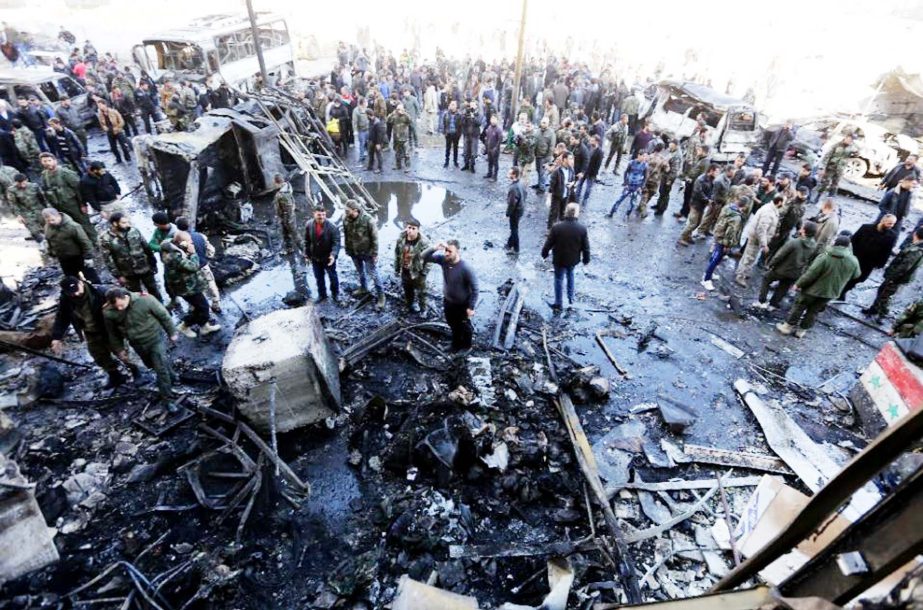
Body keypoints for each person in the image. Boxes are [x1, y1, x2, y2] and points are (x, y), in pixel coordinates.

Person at [51, 276, 140, 389]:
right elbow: (62, 317)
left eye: (77, 290)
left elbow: (124, 296)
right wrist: (56, 337)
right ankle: (115, 376)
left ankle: (136, 372)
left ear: (81, 283)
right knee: (99, 356)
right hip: (90, 332)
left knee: (122, 352)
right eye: (72, 293)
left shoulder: (99, 292)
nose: (76, 294)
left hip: (108, 330)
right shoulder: (66, 300)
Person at [103, 287, 180, 410]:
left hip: (155, 339)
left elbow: (163, 315)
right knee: (153, 365)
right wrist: (120, 350)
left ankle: (168, 399)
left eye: (121, 305)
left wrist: (172, 332)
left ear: (125, 297)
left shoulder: (146, 300)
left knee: (160, 369)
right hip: (137, 343)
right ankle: (173, 375)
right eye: (116, 307)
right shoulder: (108, 312)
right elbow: (113, 334)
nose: (119, 309)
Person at [776, 235, 860, 338]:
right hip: (831, 292)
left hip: (812, 290)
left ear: (835, 243)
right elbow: (856, 275)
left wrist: (798, 284)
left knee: (799, 307)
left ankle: (787, 327)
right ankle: (801, 331)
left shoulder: (825, 256)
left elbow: (811, 274)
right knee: (813, 311)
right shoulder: (853, 260)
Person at [160, 232, 221, 338]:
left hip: (187, 284)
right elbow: (193, 267)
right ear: (181, 242)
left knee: (198, 307)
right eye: (189, 241)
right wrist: (193, 253)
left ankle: (204, 326)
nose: (191, 242)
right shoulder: (175, 256)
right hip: (187, 288)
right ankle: (185, 325)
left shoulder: (169, 245)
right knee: (203, 308)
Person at [423, 240, 479, 351]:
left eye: (450, 251)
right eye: (446, 250)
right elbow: (423, 256)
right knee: (452, 323)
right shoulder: (443, 260)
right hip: (448, 301)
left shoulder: (466, 268)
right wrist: (434, 247)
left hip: (462, 304)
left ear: (458, 252)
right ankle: (456, 344)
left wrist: (471, 307)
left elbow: (476, 289)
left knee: (465, 326)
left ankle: (466, 346)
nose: (446, 253)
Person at [98, 212, 163, 301]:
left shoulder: (134, 231)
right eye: (123, 223)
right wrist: (118, 276)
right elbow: (108, 260)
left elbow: (146, 247)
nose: (127, 225)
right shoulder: (106, 239)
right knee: (136, 296)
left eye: (127, 222)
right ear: (115, 223)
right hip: (128, 273)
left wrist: (153, 263)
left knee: (154, 290)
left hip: (145, 267)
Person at [862, 227, 923, 323]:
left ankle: (881, 315)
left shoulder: (916, 251)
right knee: (882, 291)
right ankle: (874, 309)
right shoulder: (916, 247)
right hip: (895, 276)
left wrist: (892, 278)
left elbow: (904, 267)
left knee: (885, 296)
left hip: (896, 278)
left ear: (915, 234)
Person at [755, 221, 818, 310]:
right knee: (783, 287)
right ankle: (773, 304)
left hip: (781, 270)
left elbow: (780, 255)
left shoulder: (794, 242)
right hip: (796, 273)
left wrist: (771, 264)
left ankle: (761, 301)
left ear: (804, 230)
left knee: (766, 278)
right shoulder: (814, 246)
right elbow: (811, 261)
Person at [541, 202, 590, 311]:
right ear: (577, 214)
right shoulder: (582, 229)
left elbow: (549, 243)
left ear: (565, 212)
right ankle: (571, 298)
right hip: (573, 259)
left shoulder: (557, 227)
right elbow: (585, 247)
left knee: (558, 279)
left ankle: (558, 302)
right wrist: (586, 259)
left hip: (559, 259)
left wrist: (544, 253)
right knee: (570, 275)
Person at [839, 215, 899, 301]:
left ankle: (843, 291)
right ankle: (839, 291)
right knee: (844, 275)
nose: (891, 226)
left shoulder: (891, 236)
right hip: (855, 258)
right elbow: (853, 240)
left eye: (893, 224)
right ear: (882, 220)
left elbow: (887, 251)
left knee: (859, 279)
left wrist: (880, 264)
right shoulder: (865, 228)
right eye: (889, 223)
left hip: (868, 263)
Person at [40, 152, 96, 241]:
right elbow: (45, 191)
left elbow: (79, 189)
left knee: (84, 224)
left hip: (74, 205)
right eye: (44, 161)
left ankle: (95, 242)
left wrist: (83, 204)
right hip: (59, 206)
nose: (47, 163)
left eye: (49, 160)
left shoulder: (66, 173)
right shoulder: (44, 175)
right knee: (68, 226)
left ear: (55, 161)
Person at [343, 199, 385, 310]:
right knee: (360, 271)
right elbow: (346, 235)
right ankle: (364, 287)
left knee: (374, 274)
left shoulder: (368, 220)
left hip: (367, 253)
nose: (346, 213)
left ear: (355, 210)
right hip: (354, 252)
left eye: (348, 211)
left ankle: (381, 296)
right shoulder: (346, 219)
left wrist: (375, 253)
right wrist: (347, 250)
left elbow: (375, 238)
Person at [735, 194, 783, 287]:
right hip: (756, 238)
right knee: (749, 257)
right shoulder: (768, 212)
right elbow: (761, 229)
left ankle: (744, 272)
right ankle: (740, 276)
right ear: (779, 202)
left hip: (757, 238)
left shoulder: (771, 209)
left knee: (750, 256)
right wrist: (764, 244)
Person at [174, 217, 221, 313]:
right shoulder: (200, 236)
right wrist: (206, 257)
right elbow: (211, 251)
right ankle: (216, 304)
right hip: (204, 266)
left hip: (191, 270)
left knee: (195, 289)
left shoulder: (180, 241)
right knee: (211, 284)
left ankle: (194, 308)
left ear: (178, 228)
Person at [701, 196, 748, 291]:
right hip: (723, 240)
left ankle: (709, 273)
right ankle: (706, 279)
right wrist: (727, 245)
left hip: (718, 234)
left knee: (715, 257)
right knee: (716, 259)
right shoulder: (736, 217)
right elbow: (731, 232)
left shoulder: (728, 207)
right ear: (745, 206)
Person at [43, 207, 100, 282]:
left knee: (91, 277)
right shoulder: (48, 227)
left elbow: (85, 242)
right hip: (63, 259)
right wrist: (50, 253)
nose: (51, 222)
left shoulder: (73, 226)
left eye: (53, 220)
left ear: (58, 216)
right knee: (71, 280)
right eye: (48, 221)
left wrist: (88, 257)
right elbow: (49, 240)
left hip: (78, 257)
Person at [304, 205, 340, 303]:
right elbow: (307, 241)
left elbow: (336, 243)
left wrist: (333, 255)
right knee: (318, 277)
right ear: (314, 214)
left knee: (333, 277)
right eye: (319, 215)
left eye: (324, 215)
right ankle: (322, 295)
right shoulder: (308, 224)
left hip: (328, 258)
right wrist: (307, 255)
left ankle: (335, 294)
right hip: (315, 258)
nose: (322, 217)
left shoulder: (333, 227)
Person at [394, 220, 431, 313]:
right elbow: (397, 254)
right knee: (407, 290)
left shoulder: (424, 242)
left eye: (413, 228)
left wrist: (423, 273)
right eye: (409, 227)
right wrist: (397, 268)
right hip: (405, 270)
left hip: (418, 272)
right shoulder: (401, 238)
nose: (410, 230)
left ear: (418, 230)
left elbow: (429, 259)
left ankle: (423, 309)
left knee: (422, 293)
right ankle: (408, 305)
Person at [677, 164, 718, 244]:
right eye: (716, 172)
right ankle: (682, 237)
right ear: (711, 171)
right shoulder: (701, 179)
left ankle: (688, 236)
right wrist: (707, 200)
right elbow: (697, 192)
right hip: (696, 204)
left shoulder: (711, 180)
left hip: (702, 205)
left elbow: (711, 191)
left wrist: (710, 199)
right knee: (693, 223)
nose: (717, 174)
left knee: (698, 223)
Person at [608, 151, 650, 219]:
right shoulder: (631, 163)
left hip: (636, 186)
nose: (645, 158)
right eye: (643, 156)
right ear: (639, 155)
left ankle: (628, 214)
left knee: (633, 203)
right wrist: (625, 183)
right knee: (620, 199)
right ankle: (612, 212)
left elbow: (645, 177)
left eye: (646, 156)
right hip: (629, 185)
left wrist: (641, 187)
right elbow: (626, 172)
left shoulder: (645, 166)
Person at [6, 173, 45, 240]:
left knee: (47, 228)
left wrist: (48, 209)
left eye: (23, 183)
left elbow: (43, 198)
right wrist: (18, 215)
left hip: (38, 209)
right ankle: (36, 236)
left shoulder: (34, 186)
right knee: (35, 231)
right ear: (15, 182)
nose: (22, 185)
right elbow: (13, 204)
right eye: (19, 183)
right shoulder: (12, 190)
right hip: (25, 211)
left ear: (26, 180)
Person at [676, 144, 709, 220]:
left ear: (703, 151)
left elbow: (702, 176)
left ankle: (685, 215)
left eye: (699, 150)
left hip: (694, 184)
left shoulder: (705, 162)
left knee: (690, 200)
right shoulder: (699, 159)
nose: (697, 151)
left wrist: (694, 182)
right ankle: (683, 212)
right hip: (690, 182)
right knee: (686, 198)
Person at [95, 99, 132, 164]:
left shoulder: (114, 112)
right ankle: (118, 159)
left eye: (100, 105)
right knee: (113, 147)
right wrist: (104, 127)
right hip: (109, 132)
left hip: (117, 130)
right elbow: (102, 124)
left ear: (104, 104)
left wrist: (117, 128)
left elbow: (121, 122)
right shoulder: (100, 115)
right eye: (98, 106)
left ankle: (127, 158)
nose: (100, 107)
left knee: (123, 145)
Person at [272, 173, 300, 253]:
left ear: (277, 183)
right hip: (287, 216)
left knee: (295, 235)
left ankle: (305, 252)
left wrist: (284, 218)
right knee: (286, 234)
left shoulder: (281, 195)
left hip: (287, 216)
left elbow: (286, 207)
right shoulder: (288, 187)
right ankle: (289, 249)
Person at [548, 152, 575, 228]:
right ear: (564, 159)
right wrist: (549, 198)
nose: (572, 161)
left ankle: (560, 229)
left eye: (572, 159)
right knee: (553, 214)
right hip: (557, 196)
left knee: (563, 214)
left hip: (566, 195)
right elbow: (551, 185)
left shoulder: (571, 170)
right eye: (570, 159)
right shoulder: (557, 171)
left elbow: (573, 180)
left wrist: (572, 184)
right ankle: (550, 230)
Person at [656, 140, 681, 215]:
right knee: (661, 191)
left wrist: (669, 180)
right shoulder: (672, 151)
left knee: (665, 193)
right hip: (665, 175)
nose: (669, 145)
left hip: (669, 177)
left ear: (675, 145)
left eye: (671, 144)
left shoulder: (677, 155)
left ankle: (662, 209)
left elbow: (675, 170)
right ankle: (658, 205)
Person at [505, 166, 527, 254]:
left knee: (514, 229)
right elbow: (525, 194)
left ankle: (516, 248)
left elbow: (511, 203)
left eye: (509, 173)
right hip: (521, 209)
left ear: (514, 175)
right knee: (514, 227)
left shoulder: (513, 188)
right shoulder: (521, 183)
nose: (507, 175)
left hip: (515, 212)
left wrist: (507, 214)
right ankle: (509, 244)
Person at [578, 135, 604, 205]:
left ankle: (585, 200)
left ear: (597, 142)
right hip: (584, 170)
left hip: (591, 173)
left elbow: (598, 165)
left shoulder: (600, 152)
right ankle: (577, 197)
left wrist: (594, 175)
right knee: (579, 184)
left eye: (592, 141)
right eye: (591, 140)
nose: (590, 142)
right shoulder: (588, 146)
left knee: (588, 188)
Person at [387, 102, 412, 172]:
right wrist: (393, 112)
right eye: (398, 109)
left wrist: (404, 113)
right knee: (397, 152)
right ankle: (398, 165)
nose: (399, 111)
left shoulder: (406, 116)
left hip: (404, 138)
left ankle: (408, 167)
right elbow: (388, 120)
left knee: (406, 153)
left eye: (400, 109)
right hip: (396, 137)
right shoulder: (394, 116)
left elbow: (410, 120)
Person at [442, 100, 462, 168]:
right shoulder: (446, 114)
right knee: (448, 148)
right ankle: (446, 161)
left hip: (456, 134)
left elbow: (460, 126)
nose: (452, 106)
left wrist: (459, 134)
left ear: (456, 106)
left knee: (455, 148)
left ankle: (455, 161)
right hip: (448, 133)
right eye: (451, 104)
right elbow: (444, 124)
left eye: (453, 104)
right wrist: (444, 132)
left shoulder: (459, 115)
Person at [484, 115, 503, 181]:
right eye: (492, 119)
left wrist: (496, 148)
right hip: (489, 148)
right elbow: (487, 138)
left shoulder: (499, 129)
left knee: (495, 163)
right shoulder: (489, 127)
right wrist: (486, 147)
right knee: (489, 162)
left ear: (497, 120)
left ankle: (495, 176)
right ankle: (489, 173)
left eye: (495, 119)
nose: (493, 121)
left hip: (495, 149)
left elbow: (500, 140)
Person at [352, 97, 369, 163]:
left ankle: (366, 151)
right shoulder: (356, 111)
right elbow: (354, 121)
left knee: (367, 142)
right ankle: (361, 156)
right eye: (366, 102)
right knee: (362, 143)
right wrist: (355, 130)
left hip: (367, 129)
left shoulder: (367, 109)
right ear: (363, 103)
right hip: (361, 130)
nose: (367, 103)